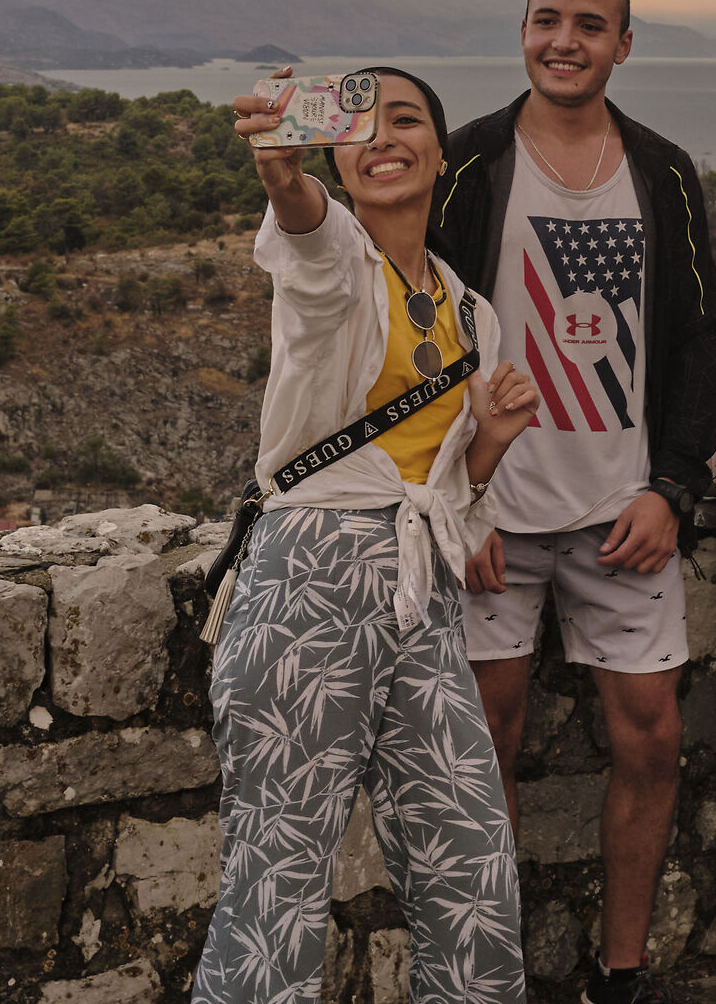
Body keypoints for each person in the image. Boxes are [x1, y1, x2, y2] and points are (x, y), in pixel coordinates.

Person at [195, 66, 543, 1004]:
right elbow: (307, 234)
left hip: (419, 599)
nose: (384, 137)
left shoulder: (472, 315)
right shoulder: (341, 260)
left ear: (441, 152)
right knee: (275, 896)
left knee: (474, 874)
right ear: (340, 160)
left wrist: (490, 445)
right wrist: (282, 176)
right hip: (309, 582)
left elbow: (455, 508)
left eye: (408, 119)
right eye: (362, 124)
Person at [435, 0, 716, 1004]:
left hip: (622, 514)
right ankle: (492, 973)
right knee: (487, 747)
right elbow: (425, 333)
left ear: (623, 44)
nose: (566, 41)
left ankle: (622, 971)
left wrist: (673, 487)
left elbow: (700, 336)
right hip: (494, 515)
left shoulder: (662, 171)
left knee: (652, 740)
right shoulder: (469, 163)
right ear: (523, 31)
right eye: (547, 20)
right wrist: (453, 500)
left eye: (590, 25)